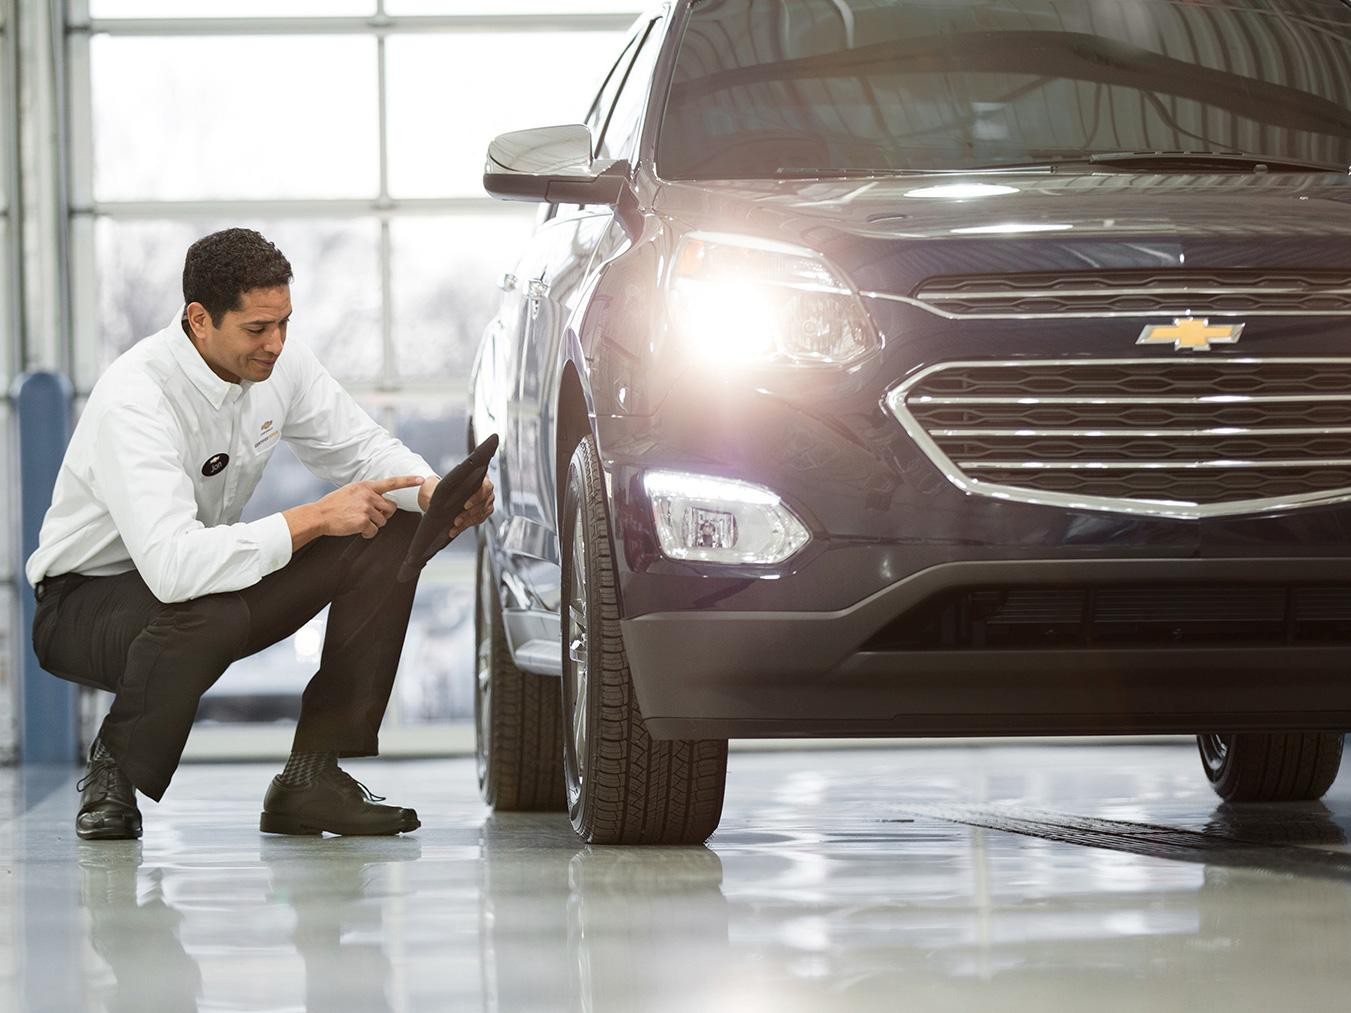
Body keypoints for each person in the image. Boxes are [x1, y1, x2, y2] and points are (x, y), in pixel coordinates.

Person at [26, 227, 494, 841]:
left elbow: (361, 449)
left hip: (203, 587)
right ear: (199, 320)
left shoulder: (281, 364)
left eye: (284, 323)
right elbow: (173, 569)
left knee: (390, 521)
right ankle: (113, 769)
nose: (276, 344)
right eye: (256, 329)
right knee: (209, 606)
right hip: (85, 607)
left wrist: (433, 491)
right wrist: (316, 517)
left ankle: (312, 775)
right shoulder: (135, 399)